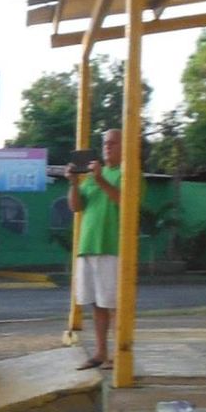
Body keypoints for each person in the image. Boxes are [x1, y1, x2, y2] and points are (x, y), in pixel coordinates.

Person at [70, 128, 123, 370]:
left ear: (124, 146)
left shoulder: (128, 173)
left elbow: (124, 200)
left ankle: (119, 352)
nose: (107, 148)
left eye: (112, 143)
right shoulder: (91, 176)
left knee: (114, 302)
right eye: (104, 144)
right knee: (96, 302)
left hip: (111, 246)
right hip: (88, 245)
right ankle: (101, 352)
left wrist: (101, 178)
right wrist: (73, 182)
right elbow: (75, 206)